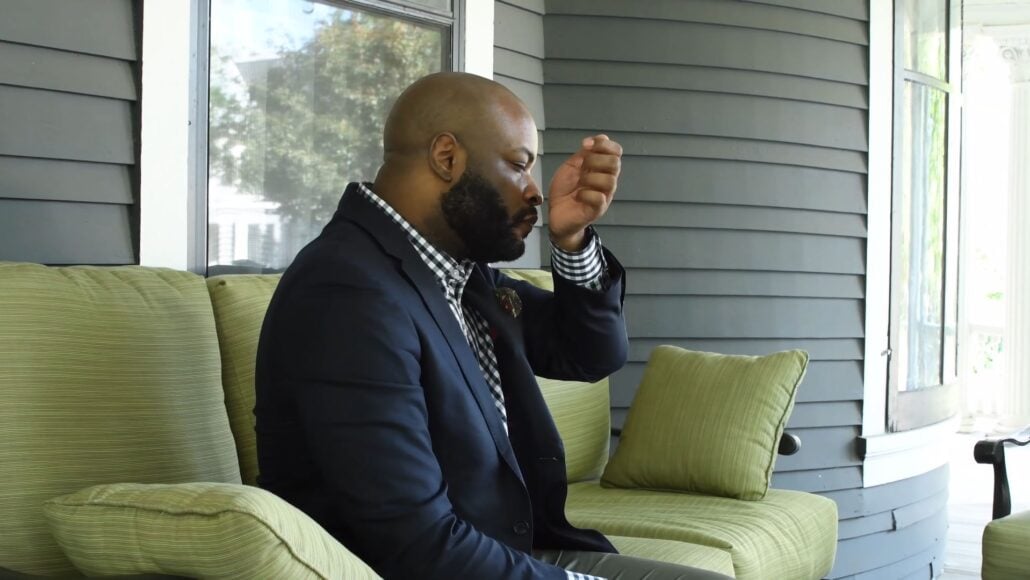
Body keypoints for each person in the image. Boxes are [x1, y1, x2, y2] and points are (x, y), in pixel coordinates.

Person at [254, 72, 730, 580]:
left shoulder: (458, 273)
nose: (534, 193)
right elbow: (416, 546)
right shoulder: (348, 294)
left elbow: (589, 353)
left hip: (507, 554)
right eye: (519, 165)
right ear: (447, 157)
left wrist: (571, 241)